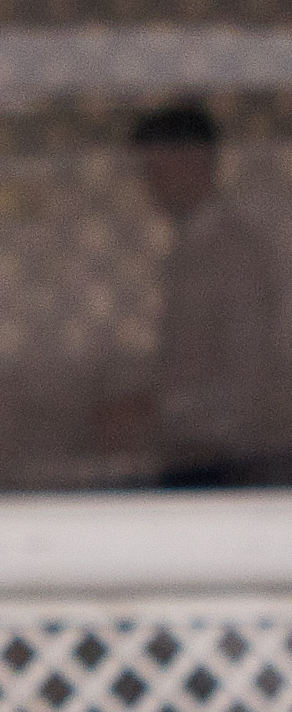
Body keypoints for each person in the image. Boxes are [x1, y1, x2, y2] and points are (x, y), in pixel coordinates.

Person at [114, 103, 286, 487]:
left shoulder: (236, 252)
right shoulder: (190, 249)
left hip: (229, 463)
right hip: (196, 453)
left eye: (157, 168)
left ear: (196, 162)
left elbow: (249, 380)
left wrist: (156, 410)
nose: (150, 183)